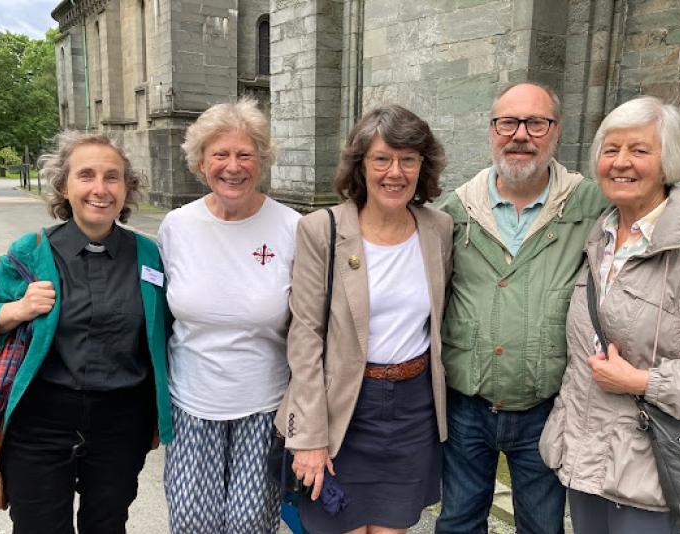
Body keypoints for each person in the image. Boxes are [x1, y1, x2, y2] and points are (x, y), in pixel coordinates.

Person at [538, 95, 680, 533]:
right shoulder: (597, 239)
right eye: (610, 150)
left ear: (667, 162)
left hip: (650, 470)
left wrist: (643, 382)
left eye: (639, 150)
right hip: (585, 462)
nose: (621, 162)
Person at [0, 131, 173, 533]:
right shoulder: (32, 250)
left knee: (107, 524)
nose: (100, 189)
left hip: (121, 421)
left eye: (112, 177)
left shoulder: (149, 255)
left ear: (127, 188)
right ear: (63, 185)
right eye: (86, 175)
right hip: (40, 419)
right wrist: (19, 308)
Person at [434, 82, 608, 534]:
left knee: (542, 525)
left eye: (536, 122)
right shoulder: (453, 212)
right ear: (492, 130)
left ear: (556, 132)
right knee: (457, 522)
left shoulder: (593, 206)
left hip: (544, 409)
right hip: (466, 406)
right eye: (507, 122)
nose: (520, 134)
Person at [277, 104, 452, 534]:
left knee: (393, 528)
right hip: (342, 410)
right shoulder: (323, 229)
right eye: (382, 159)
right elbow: (305, 336)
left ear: (421, 167)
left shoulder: (439, 228)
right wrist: (310, 437)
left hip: (412, 411)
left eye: (408, 159)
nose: (396, 172)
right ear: (361, 166)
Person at [157, 98, 301, 534]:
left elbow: (310, 325)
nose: (233, 166)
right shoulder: (176, 227)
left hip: (265, 408)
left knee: (250, 524)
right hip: (191, 406)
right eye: (220, 154)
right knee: (191, 522)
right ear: (201, 163)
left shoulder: (293, 228)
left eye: (245, 154)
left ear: (263, 161)